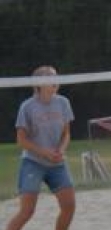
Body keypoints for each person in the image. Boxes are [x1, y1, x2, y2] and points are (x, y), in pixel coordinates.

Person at [6, 65, 76, 230]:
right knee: (27, 211)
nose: (55, 81)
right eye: (50, 78)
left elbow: (66, 134)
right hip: (33, 162)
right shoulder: (27, 106)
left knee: (69, 206)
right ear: (39, 84)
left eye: (56, 77)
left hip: (57, 163)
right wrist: (44, 152)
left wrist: (61, 150)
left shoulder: (63, 103)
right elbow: (21, 140)